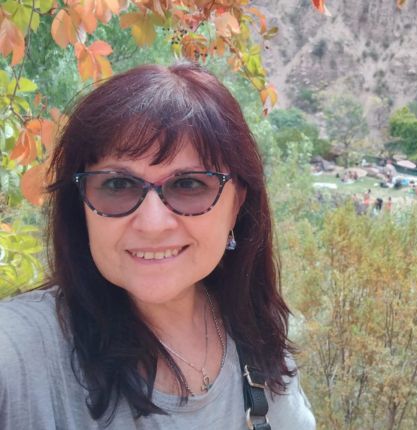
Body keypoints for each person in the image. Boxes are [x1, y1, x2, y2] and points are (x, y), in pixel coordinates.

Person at [0, 64, 315, 429]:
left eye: (190, 185)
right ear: (81, 206)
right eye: (118, 185)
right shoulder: (22, 352)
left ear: (236, 205)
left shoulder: (257, 335)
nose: (152, 224)